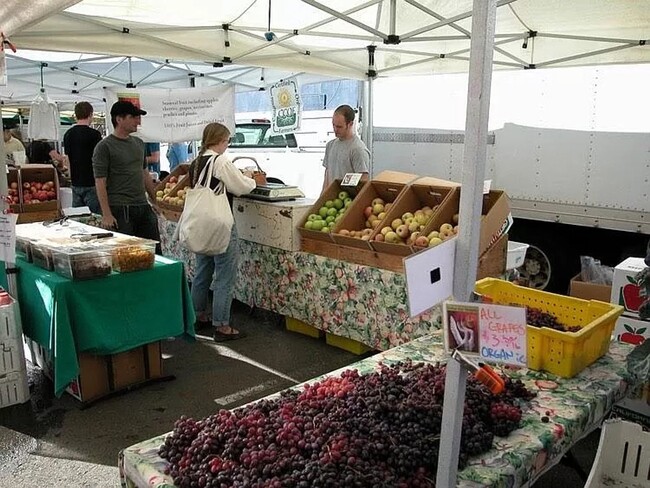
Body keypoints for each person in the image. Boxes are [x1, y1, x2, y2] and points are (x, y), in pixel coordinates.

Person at [188, 122, 256, 342]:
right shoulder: (220, 161)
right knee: (224, 274)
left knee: (202, 271)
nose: (227, 145)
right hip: (220, 223)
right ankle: (222, 325)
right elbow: (241, 187)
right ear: (220, 140)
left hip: (201, 223)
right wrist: (253, 179)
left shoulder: (197, 162)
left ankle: (198, 315)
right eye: (227, 140)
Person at [92, 101, 161, 250]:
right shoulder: (104, 147)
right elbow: (100, 181)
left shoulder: (139, 143)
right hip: (120, 208)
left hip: (142, 205)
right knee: (126, 254)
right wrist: (106, 214)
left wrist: (154, 200)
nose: (138, 121)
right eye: (133, 117)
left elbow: (144, 174)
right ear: (119, 119)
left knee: (153, 252)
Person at [63, 101, 102, 213]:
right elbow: (99, 160)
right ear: (90, 114)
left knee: (78, 217)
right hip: (92, 182)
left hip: (76, 183)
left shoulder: (68, 134)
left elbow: (68, 159)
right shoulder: (95, 135)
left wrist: (71, 177)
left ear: (76, 115)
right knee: (95, 218)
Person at [321, 104, 370, 191]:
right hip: (331, 201)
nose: (335, 129)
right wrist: (321, 199)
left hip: (348, 200)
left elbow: (363, 181)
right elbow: (327, 176)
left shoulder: (358, 149)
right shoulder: (330, 145)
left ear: (350, 124)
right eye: (333, 125)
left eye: (339, 127)